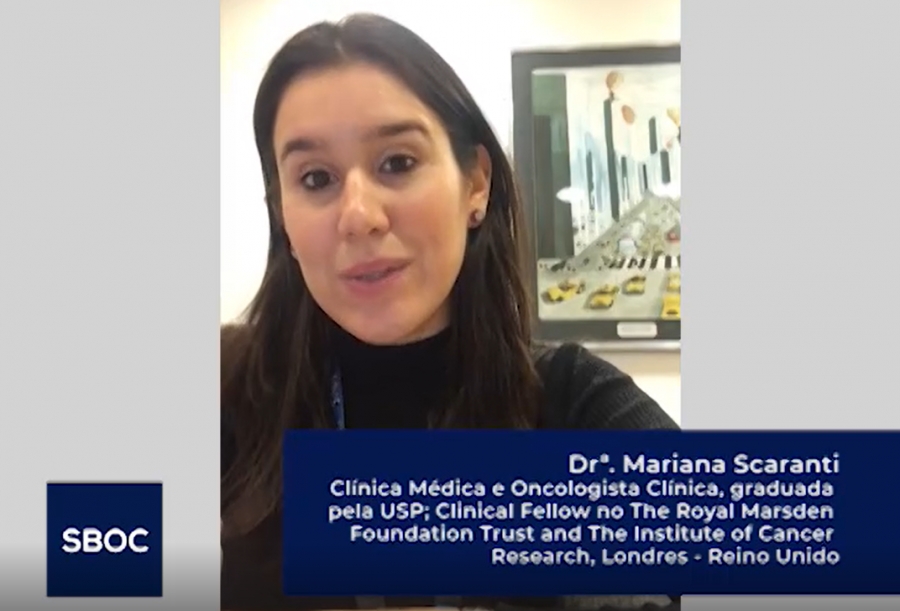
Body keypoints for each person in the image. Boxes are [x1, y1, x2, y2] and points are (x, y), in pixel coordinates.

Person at [221, 12, 680, 611]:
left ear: (476, 185)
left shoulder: (571, 401)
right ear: (282, 212)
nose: (358, 215)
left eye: (397, 163)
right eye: (315, 178)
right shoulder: (229, 391)